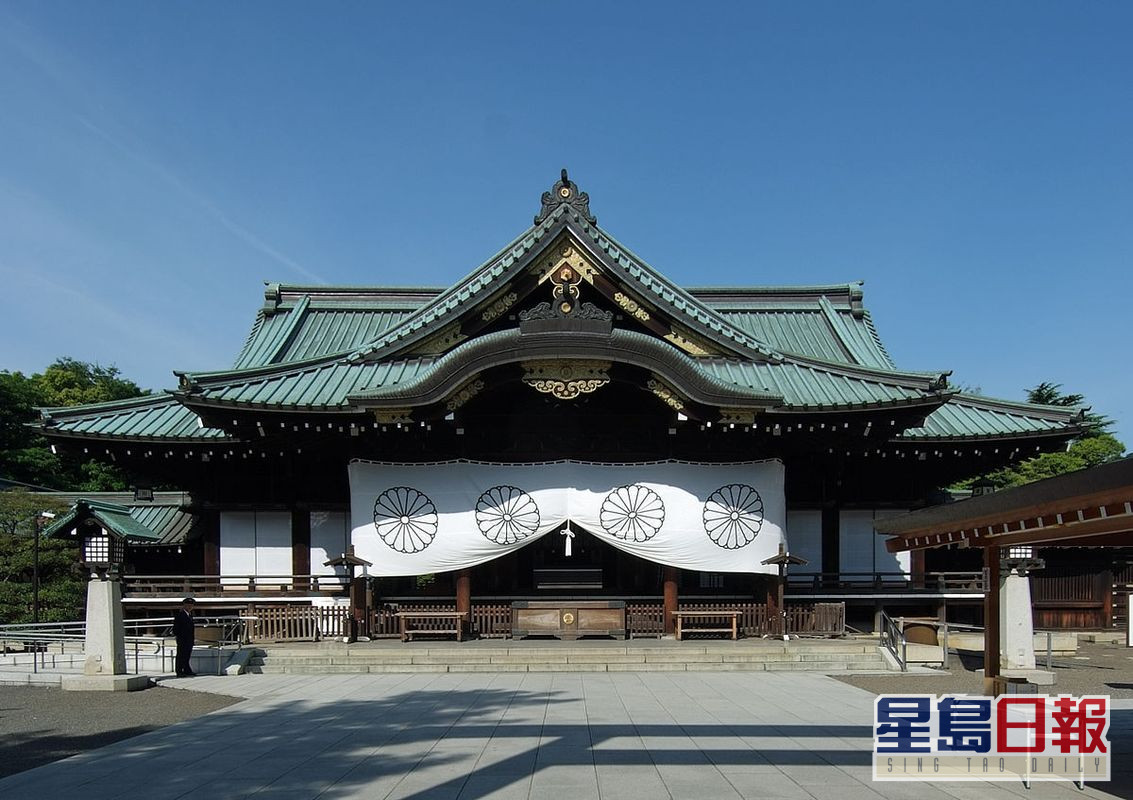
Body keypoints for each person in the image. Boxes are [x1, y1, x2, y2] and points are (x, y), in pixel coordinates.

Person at [172, 597, 197, 677]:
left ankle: (187, 670)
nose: (190, 607)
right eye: (188, 605)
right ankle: (179, 671)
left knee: (187, 655)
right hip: (182, 639)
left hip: (189, 639)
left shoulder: (190, 616)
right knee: (180, 655)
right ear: (184, 605)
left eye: (191, 605)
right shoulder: (180, 615)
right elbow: (176, 628)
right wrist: (179, 637)